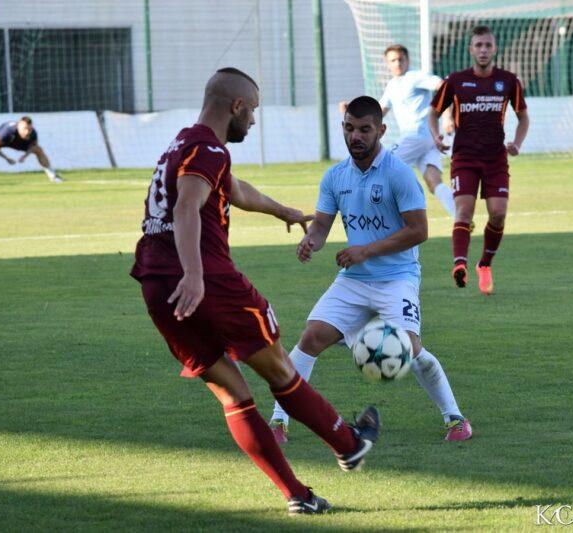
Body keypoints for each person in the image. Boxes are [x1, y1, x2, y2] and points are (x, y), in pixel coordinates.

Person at [129, 68, 380, 515]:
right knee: (280, 370)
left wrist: (284, 211)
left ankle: (298, 496)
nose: (254, 121)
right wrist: (195, 273)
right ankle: (349, 444)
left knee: (233, 395)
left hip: (156, 286)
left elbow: (235, 190)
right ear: (237, 106)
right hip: (208, 282)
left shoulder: (183, 144)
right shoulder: (209, 149)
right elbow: (187, 205)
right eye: (254, 111)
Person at [269, 96, 472, 445]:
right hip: (355, 279)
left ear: (381, 130)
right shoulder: (335, 176)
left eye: (364, 129)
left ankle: (455, 418)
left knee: (409, 348)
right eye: (349, 128)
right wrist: (310, 242)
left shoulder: (398, 174)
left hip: (397, 278)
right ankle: (278, 421)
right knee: (311, 337)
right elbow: (321, 227)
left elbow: (418, 231)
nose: (356, 136)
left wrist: (365, 251)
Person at [428, 25, 530, 295]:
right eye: (478, 45)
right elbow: (433, 112)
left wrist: (517, 143)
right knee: (464, 210)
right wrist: (436, 136)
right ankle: (459, 264)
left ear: (494, 49)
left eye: (488, 45)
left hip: (496, 159)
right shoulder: (456, 81)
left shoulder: (508, 81)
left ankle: (484, 264)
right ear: (470, 49)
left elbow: (523, 117)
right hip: (465, 157)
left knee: (498, 213)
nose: (483, 50)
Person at [340, 44, 462, 225]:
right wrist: (353, 112)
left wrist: (447, 116)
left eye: (401, 59)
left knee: (381, 165)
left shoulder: (415, 77)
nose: (398, 63)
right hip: (428, 140)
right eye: (393, 60)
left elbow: (444, 86)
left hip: (417, 134)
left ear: (407, 60)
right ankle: (461, 218)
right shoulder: (392, 85)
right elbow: (379, 112)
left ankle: (372, 216)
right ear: (387, 63)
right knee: (433, 180)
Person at [0, 116, 63, 186]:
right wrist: (7, 159)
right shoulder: (7, 131)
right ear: (18, 126)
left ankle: (53, 176)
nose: (27, 132)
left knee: (39, 150)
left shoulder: (33, 133)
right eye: (25, 129)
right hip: (3, 141)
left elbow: (34, 146)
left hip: (20, 144)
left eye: (29, 129)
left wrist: (24, 156)